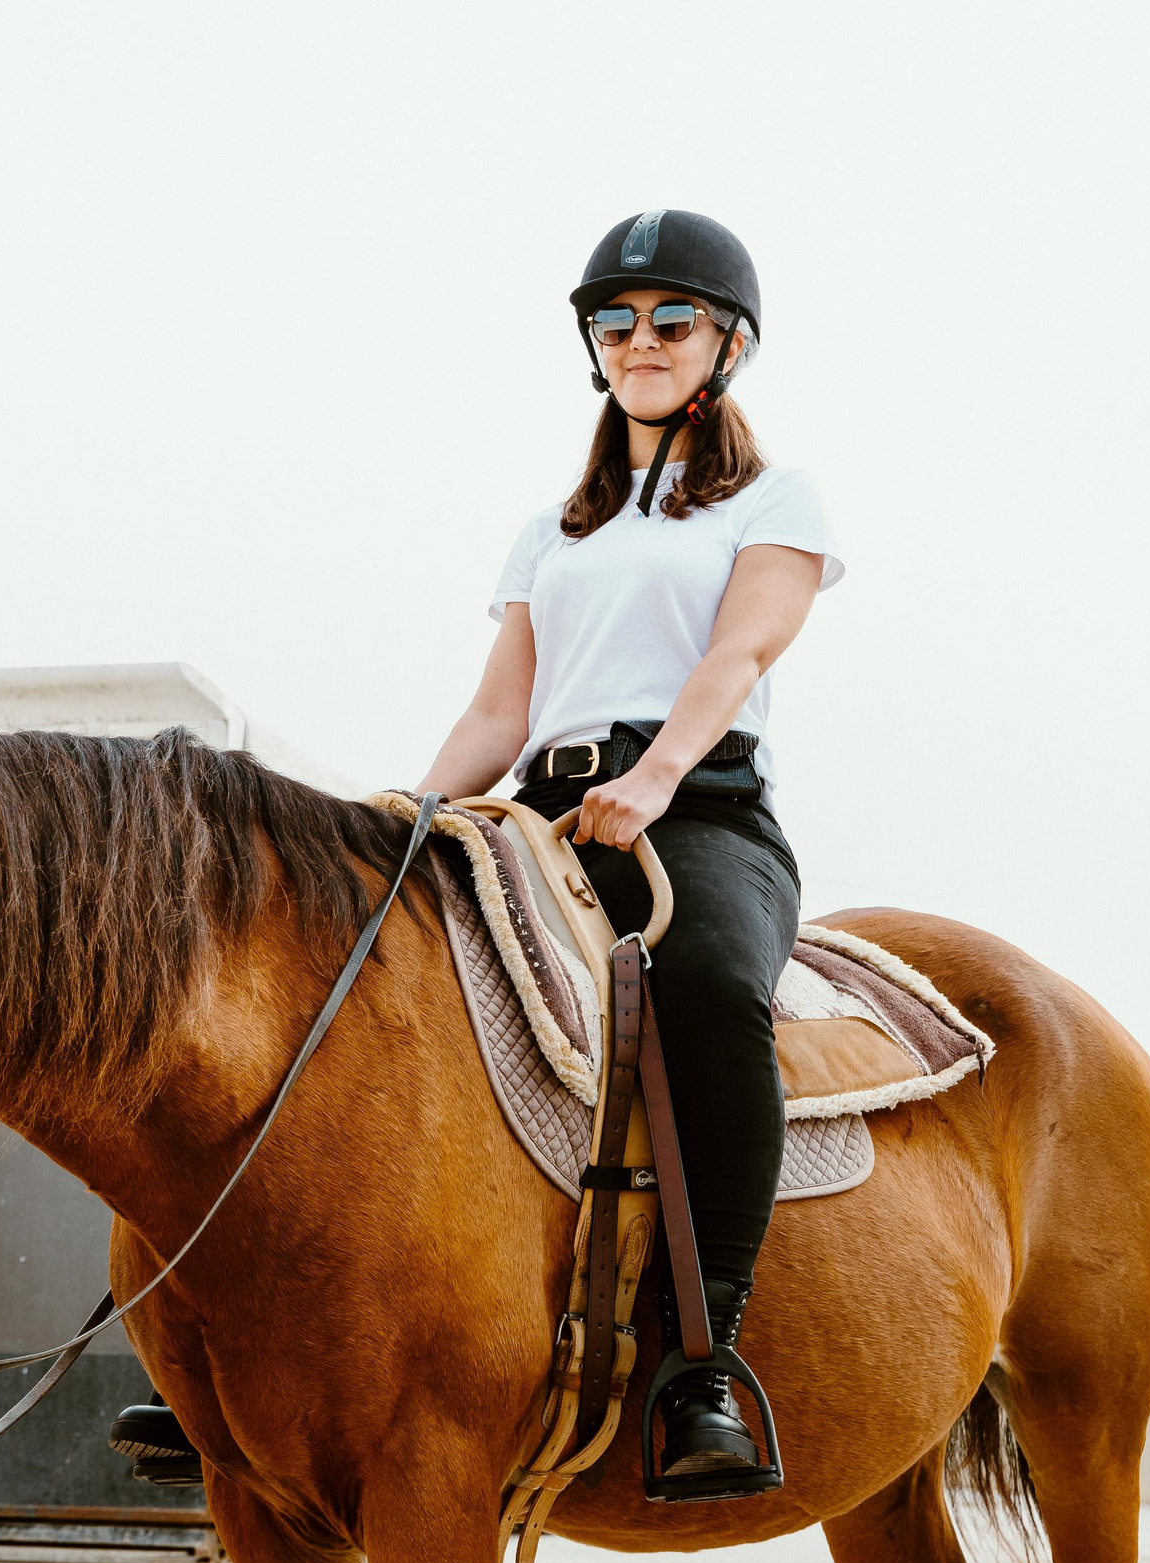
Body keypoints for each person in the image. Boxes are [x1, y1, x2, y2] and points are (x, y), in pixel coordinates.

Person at [420, 208, 839, 1494]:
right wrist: (401, 814)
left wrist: (653, 780)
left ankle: (707, 1361)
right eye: (615, 323)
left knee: (709, 989)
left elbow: (740, 652)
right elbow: (503, 709)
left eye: (669, 321)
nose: (638, 342)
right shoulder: (553, 528)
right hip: (540, 818)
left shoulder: (774, 501)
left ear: (727, 344)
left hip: (697, 809)